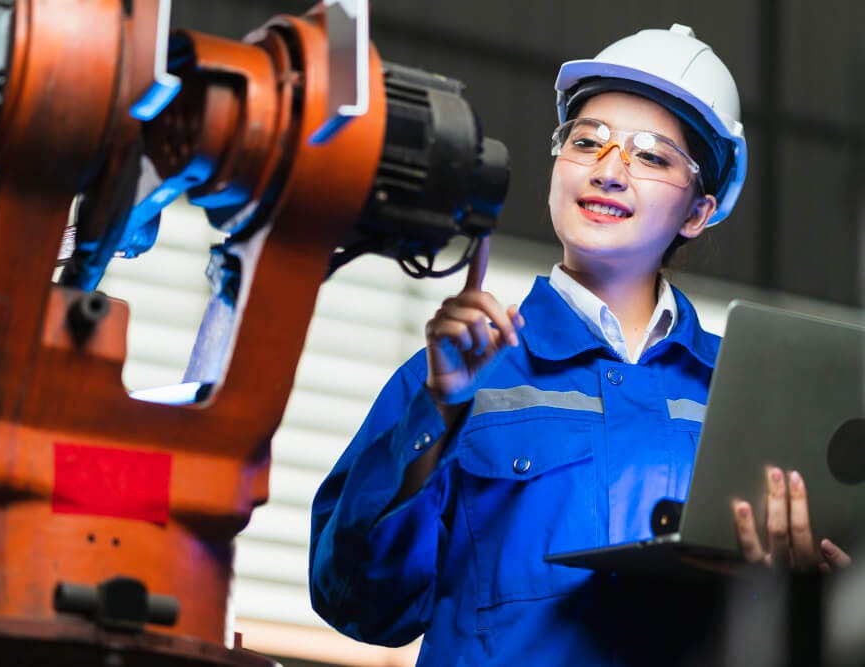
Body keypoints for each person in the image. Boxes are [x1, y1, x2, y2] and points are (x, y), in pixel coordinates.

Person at [309, 24, 850, 665]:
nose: (608, 171)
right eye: (587, 142)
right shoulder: (453, 377)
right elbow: (360, 601)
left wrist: (817, 588)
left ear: (698, 212)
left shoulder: (752, 397)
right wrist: (440, 413)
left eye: (650, 156)